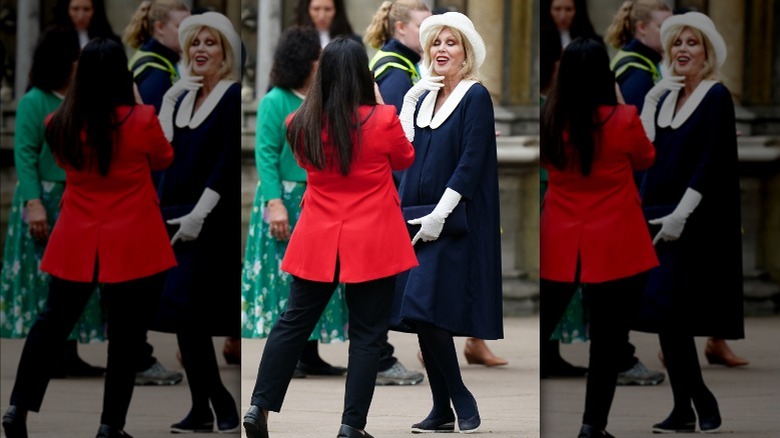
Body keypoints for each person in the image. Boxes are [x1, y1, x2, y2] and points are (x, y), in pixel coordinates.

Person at [1, 37, 176, 438]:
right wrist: (136, 103)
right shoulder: (141, 118)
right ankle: (110, 425)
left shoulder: (58, 123)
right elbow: (164, 158)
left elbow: (63, 161)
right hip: (131, 238)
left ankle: (18, 407)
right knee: (126, 335)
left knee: (51, 324)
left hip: (77, 235)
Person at [242, 36, 416, 438]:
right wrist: (381, 104)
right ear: (361, 74)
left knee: (292, 322)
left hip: (318, 235)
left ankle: (259, 406)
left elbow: (306, 161)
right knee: (368, 334)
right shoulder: (383, 118)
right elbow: (405, 158)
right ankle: (351, 426)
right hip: (372, 237)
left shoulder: (297, 122)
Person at [540, 37, 659, 438]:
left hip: (559, 238)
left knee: (543, 326)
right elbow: (646, 158)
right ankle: (592, 427)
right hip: (615, 243)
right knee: (608, 342)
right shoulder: (623, 118)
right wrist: (623, 102)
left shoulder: (551, 120)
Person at [392, 12, 501, 433]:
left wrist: (441, 213)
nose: (441, 50)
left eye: (451, 43)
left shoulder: (475, 96)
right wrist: (406, 102)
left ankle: (459, 396)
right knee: (419, 314)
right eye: (436, 42)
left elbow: (470, 163)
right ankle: (441, 410)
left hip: (452, 222)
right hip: (415, 218)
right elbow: (401, 153)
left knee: (427, 310)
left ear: (466, 51)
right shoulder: (421, 98)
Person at [637, 12, 744, 433]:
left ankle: (696, 399)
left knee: (671, 315)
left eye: (692, 43)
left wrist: (681, 215)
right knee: (664, 316)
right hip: (656, 216)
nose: (682, 49)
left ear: (707, 51)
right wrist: (649, 100)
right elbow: (644, 152)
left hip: (694, 222)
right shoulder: (664, 96)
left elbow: (711, 162)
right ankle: (686, 407)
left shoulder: (717, 96)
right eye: (677, 42)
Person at [241, 25, 349, 379]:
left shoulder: (326, 98)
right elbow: (266, 155)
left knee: (318, 278)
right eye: (316, 58)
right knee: (285, 280)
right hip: (284, 198)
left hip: (318, 197)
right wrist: (275, 204)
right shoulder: (275, 100)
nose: (321, 64)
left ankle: (311, 353)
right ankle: (290, 356)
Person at [0, 27, 107, 379]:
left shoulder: (82, 97)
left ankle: (70, 352)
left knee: (76, 279)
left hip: (76, 197)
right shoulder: (34, 101)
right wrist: (34, 203)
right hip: (42, 197)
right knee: (44, 280)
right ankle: (50, 355)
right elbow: (25, 155)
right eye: (74, 57)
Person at [153, 12, 241, 433]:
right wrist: (169, 103)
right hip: (174, 216)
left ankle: (221, 405)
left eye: (210, 43)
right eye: (195, 43)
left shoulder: (232, 95)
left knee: (192, 318)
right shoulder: (182, 96)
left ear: (224, 52)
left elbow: (224, 165)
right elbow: (162, 154)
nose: (201, 50)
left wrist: (198, 215)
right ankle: (204, 410)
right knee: (185, 322)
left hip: (209, 222)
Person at [123, 0, 191, 112]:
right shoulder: (154, 73)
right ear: (160, 27)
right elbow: (156, 122)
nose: (188, 33)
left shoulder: (156, 57)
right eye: (181, 27)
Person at [605, 0, 672, 109]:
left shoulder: (636, 57)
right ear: (642, 28)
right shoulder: (637, 73)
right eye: (663, 27)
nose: (671, 33)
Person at [52, 0, 120, 48]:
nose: (81, 16)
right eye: (75, 9)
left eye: (86, 9)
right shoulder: (53, 39)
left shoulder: (108, 39)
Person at [295, 0, 362, 48]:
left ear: (337, 10)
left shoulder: (353, 42)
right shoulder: (296, 41)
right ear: (307, 9)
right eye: (316, 9)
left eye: (327, 9)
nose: (322, 16)